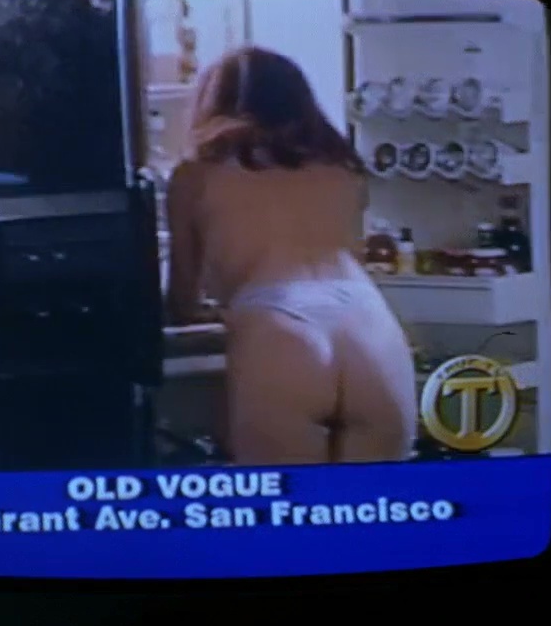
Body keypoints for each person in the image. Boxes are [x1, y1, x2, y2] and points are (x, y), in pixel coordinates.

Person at [164, 46, 416, 466]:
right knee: (372, 503)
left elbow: (182, 304)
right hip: (372, 330)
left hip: (277, 327)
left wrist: (217, 311)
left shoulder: (197, 172)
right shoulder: (342, 167)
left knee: (285, 500)